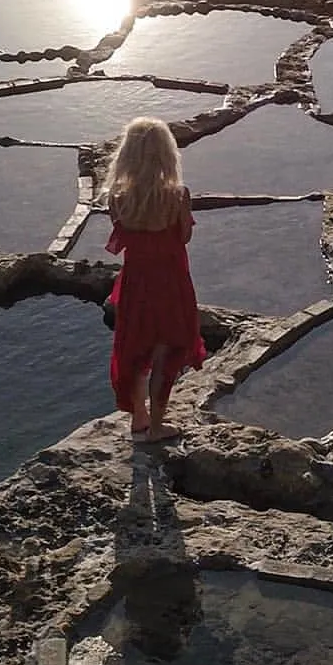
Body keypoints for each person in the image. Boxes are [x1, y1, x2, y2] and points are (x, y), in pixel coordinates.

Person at [103, 117, 205, 442]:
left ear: (127, 154)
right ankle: (158, 427)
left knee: (135, 350)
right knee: (166, 352)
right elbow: (184, 237)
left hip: (136, 283)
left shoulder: (117, 198)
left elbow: (120, 240)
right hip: (171, 282)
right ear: (166, 153)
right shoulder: (177, 195)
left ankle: (139, 421)